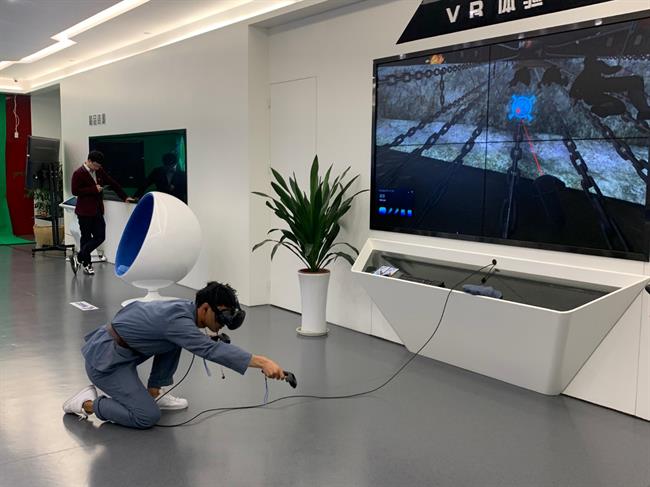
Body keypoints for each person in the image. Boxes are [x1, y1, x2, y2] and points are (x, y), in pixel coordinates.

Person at [62, 282, 286, 429]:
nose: (222, 324)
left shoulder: (185, 310)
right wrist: (262, 362)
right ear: (204, 308)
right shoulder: (178, 321)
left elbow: (188, 338)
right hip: (105, 362)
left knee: (174, 343)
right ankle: (86, 403)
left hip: (124, 354)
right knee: (146, 417)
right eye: (220, 317)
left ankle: (154, 392)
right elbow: (210, 350)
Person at [71, 150, 136, 275]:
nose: (97, 168)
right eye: (95, 165)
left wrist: (124, 196)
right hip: (84, 211)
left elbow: (112, 183)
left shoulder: (99, 170)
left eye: (99, 166)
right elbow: (75, 191)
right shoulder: (78, 173)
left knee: (101, 236)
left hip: (97, 210)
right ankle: (87, 264)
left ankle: (79, 257)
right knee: (86, 237)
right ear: (89, 161)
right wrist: (93, 189)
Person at [569, 55, 650, 121]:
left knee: (620, 107)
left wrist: (576, 98)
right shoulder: (597, 64)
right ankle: (643, 111)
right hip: (602, 85)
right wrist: (618, 67)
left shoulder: (581, 76)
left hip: (590, 97)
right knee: (636, 81)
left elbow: (573, 93)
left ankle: (603, 109)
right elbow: (608, 71)